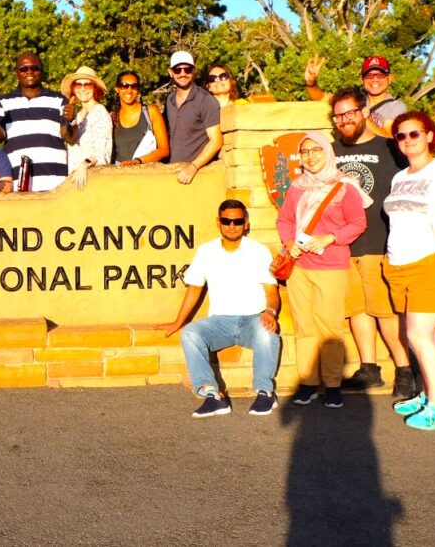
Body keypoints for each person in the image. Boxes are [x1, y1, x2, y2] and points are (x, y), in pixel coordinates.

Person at [155, 200, 281, 417]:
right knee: (190, 333)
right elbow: (194, 288)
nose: (232, 226)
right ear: (219, 222)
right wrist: (178, 322)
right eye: (226, 221)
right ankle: (212, 395)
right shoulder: (206, 251)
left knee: (267, 333)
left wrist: (270, 312)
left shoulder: (258, 251)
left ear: (246, 224)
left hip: (252, 319)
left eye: (237, 221)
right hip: (219, 322)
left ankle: (265, 392)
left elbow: (272, 293)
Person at [328, 87, 415, 398]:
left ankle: (404, 368)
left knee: (385, 310)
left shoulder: (391, 148)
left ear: (364, 112)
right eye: (339, 116)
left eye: (350, 113)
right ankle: (370, 368)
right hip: (344, 244)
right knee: (356, 308)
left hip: (381, 240)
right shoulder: (331, 151)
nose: (344, 120)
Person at [382, 111, 435, 431]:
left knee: (419, 335)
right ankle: (429, 395)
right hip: (398, 266)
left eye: (414, 134)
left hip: (428, 264)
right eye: (401, 136)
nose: (407, 141)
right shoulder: (399, 177)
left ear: (429, 135)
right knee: (422, 336)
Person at [277, 132, 368, 409]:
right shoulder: (297, 187)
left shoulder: (344, 187)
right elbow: (284, 220)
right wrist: (290, 242)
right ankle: (307, 383)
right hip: (300, 267)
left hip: (331, 266)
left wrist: (330, 238)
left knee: (330, 329)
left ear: (327, 152)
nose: (311, 156)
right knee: (304, 327)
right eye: (305, 152)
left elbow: (357, 223)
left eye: (316, 150)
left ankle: (332, 385)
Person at [0, 53, 75, 192]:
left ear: (41, 70)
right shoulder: (3, 102)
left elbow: (68, 137)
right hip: (19, 182)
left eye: (34, 68)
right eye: (23, 69)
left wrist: (69, 121)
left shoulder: (59, 100)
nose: (29, 72)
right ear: (17, 73)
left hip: (55, 180)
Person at [305, 54, 407, 138]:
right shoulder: (353, 99)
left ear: (389, 78)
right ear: (361, 79)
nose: (375, 79)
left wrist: (361, 116)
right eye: (369, 75)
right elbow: (321, 98)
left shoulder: (396, 107)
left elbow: (388, 137)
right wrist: (311, 83)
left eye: (380, 75)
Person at [164, 51, 222, 184]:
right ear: (170, 72)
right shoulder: (170, 100)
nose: (183, 73)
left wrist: (193, 167)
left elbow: (216, 140)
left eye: (187, 69)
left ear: (193, 71)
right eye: (178, 70)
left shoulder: (206, 101)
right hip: (172, 173)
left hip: (196, 175)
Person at [61, 66, 112, 190]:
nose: (82, 88)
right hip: (76, 182)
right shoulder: (78, 116)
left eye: (87, 84)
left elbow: (101, 153)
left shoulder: (99, 111)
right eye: (78, 85)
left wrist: (84, 164)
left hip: (93, 181)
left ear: (95, 88)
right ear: (73, 88)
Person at [113, 71, 169, 166]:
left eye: (134, 86)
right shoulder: (112, 117)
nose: (129, 90)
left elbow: (164, 150)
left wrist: (139, 161)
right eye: (124, 86)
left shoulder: (151, 112)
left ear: (138, 90)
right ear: (117, 89)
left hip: (145, 174)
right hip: (119, 175)